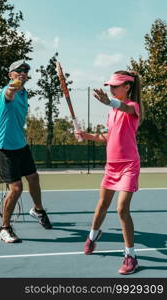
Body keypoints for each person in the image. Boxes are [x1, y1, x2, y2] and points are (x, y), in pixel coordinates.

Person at [75, 70, 144, 275]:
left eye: (115, 86)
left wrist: (109, 102)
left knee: (122, 209)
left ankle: (130, 256)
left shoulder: (133, 107)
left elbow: (124, 107)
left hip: (129, 165)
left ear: (127, 87)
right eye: (110, 86)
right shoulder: (111, 112)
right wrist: (86, 135)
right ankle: (92, 236)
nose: (112, 89)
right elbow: (109, 136)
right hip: (111, 166)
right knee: (102, 207)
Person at [0, 59, 52, 243]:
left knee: (33, 177)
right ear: (10, 74)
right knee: (16, 188)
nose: (22, 73)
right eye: (18, 71)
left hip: (21, 145)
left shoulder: (24, 93)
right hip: (5, 148)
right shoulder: (7, 92)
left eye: (25, 72)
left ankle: (37, 210)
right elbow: (10, 91)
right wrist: (15, 84)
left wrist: (20, 85)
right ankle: (4, 228)